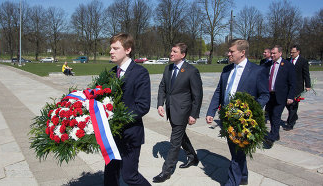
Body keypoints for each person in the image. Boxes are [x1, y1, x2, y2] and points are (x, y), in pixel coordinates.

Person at [206, 39, 269, 186]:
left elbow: (265, 95)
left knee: (237, 153)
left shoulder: (257, 71)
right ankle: (243, 176)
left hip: (244, 121)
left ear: (242, 52)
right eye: (229, 51)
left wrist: (249, 111)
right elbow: (219, 92)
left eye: (231, 51)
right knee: (236, 152)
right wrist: (211, 111)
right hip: (227, 119)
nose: (228, 53)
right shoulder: (227, 70)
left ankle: (232, 182)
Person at [104, 33, 151, 186]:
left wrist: (119, 118)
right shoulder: (111, 73)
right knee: (110, 175)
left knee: (129, 176)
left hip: (130, 134)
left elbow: (143, 105)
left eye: (115, 48)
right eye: (111, 48)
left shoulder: (140, 73)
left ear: (128, 49)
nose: (111, 51)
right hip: (112, 135)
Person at [153, 43, 203, 183]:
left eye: (175, 51)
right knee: (180, 135)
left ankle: (166, 171)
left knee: (174, 141)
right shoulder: (168, 68)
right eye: (171, 51)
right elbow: (162, 87)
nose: (171, 53)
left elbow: (197, 95)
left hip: (183, 111)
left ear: (183, 55)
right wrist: (159, 104)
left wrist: (194, 114)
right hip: (170, 109)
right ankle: (193, 157)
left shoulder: (191, 71)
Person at [263, 45, 296, 149]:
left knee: (276, 115)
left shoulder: (287, 65)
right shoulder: (268, 64)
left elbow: (293, 83)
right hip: (269, 95)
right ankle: (276, 134)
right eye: (271, 53)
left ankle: (271, 138)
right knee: (270, 115)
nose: (272, 55)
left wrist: (291, 96)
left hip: (280, 96)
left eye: (274, 53)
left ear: (280, 53)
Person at [283, 45, 311, 131]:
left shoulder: (303, 61)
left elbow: (306, 74)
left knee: (293, 105)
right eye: (291, 52)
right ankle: (294, 116)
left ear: (298, 52)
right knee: (286, 104)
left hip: (297, 87)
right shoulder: (287, 61)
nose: (291, 54)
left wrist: (308, 85)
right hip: (287, 87)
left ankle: (290, 123)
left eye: (293, 52)